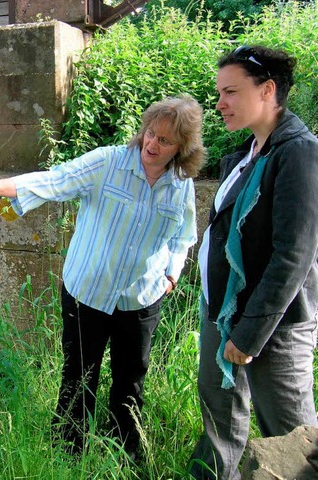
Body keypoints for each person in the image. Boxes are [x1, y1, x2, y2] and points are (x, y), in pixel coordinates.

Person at [0, 94, 206, 457]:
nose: (152, 144)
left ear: (182, 148)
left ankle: (126, 452)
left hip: (141, 298)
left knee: (131, 379)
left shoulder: (180, 184)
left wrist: (171, 275)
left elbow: (183, 236)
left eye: (165, 140)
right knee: (79, 377)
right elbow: (58, 179)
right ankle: (68, 451)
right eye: (150, 133)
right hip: (87, 293)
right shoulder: (108, 162)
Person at [189, 45, 318, 479]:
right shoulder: (250, 151)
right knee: (218, 416)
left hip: (272, 327)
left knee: (290, 436)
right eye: (219, 92)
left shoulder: (298, 152)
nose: (219, 102)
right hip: (224, 312)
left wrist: (247, 336)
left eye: (230, 92)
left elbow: (293, 256)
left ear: (266, 90)